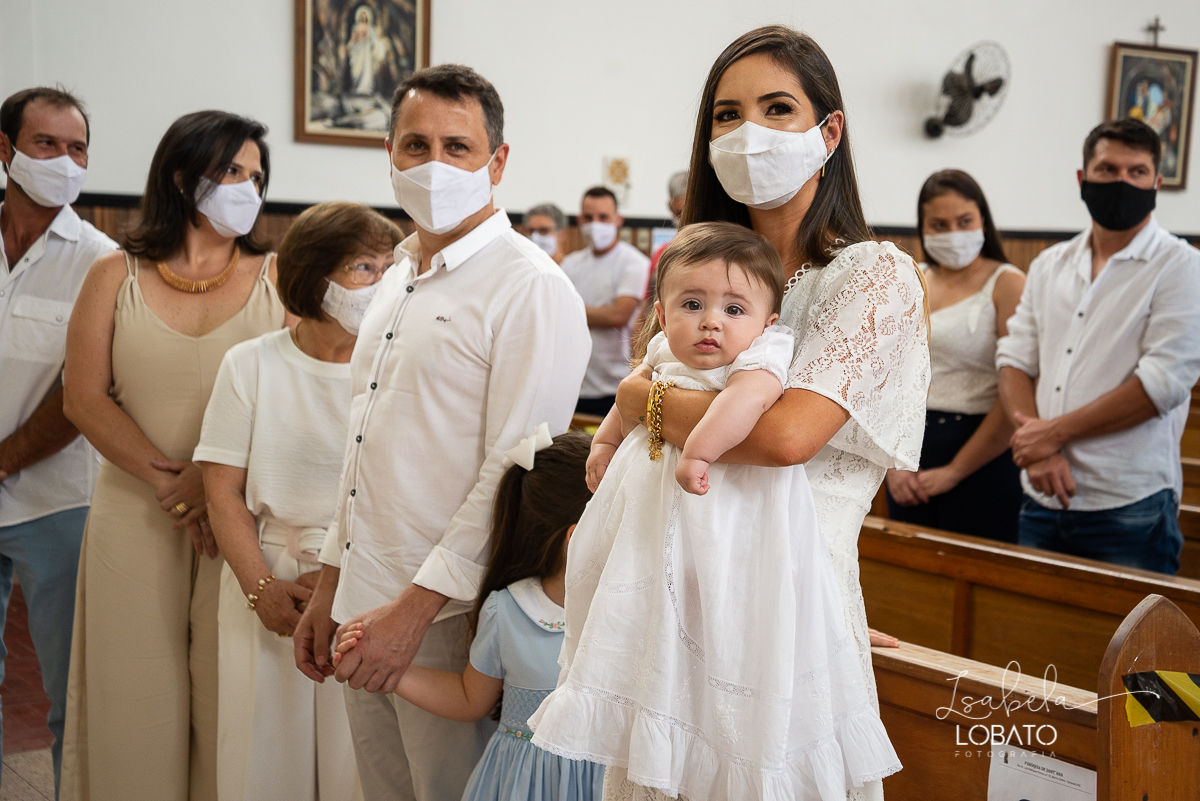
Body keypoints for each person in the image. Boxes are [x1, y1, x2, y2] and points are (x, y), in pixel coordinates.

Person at [610, 27, 930, 801]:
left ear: (830, 130)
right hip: (672, 609)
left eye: (777, 107)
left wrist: (638, 399)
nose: (747, 131)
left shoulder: (872, 276)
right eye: (726, 114)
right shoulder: (701, 277)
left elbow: (787, 437)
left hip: (791, 621)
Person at [291, 64, 590, 801]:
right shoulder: (395, 277)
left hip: (448, 614)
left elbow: (514, 472)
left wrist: (412, 611)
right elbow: (362, 453)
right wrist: (332, 583)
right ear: (388, 153)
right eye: (415, 144)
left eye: (458, 147)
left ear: (498, 161)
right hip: (363, 596)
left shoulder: (531, 287)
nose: (435, 164)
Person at [531, 223, 901, 800]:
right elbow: (630, 398)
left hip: (727, 512)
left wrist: (697, 450)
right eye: (692, 304)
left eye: (734, 308)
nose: (712, 321)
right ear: (660, 310)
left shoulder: (764, 354)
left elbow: (745, 404)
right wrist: (604, 443)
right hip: (655, 527)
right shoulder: (662, 350)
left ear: (767, 321)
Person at [61, 110, 288, 801]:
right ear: (183, 178)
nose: (247, 188)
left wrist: (209, 479)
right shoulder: (113, 274)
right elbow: (84, 397)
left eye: (256, 176)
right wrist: (171, 482)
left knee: (232, 700)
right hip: (134, 513)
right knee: (135, 698)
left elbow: (299, 391)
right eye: (231, 173)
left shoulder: (280, 277)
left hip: (242, 518)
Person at [195, 202, 399, 801]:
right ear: (315, 276)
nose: (382, 283)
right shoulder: (252, 363)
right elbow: (222, 489)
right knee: (262, 761)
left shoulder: (396, 367)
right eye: (365, 267)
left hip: (365, 585)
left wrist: (342, 578)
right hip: (269, 577)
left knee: (355, 768)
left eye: (391, 268)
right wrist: (261, 590)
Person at [336, 430, 605, 801]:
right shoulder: (508, 611)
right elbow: (468, 698)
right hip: (522, 788)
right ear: (578, 537)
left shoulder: (628, 614)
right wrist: (390, 671)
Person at [996, 118, 1200, 574]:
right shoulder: (1051, 263)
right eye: (1107, 169)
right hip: (1041, 493)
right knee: (1030, 636)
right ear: (1083, 178)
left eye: (1137, 172)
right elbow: (1014, 359)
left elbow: (1162, 385)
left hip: (1128, 503)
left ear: (1157, 183)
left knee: (1132, 645)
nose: (1123, 181)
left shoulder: (1182, 267)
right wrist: (1042, 448)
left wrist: (1054, 434)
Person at [0, 86, 116, 794]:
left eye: (78, 149)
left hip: (57, 498)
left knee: (68, 683)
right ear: (5, 149)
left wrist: (6, 458)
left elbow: (82, 388)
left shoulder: (99, 259)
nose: (66, 161)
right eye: (47, 144)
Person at [884, 170, 1025, 542]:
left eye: (964, 222)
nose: (953, 234)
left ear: (983, 220)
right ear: (924, 229)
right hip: (909, 450)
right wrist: (892, 465)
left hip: (982, 451)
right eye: (940, 225)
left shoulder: (1007, 282)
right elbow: (888, 378)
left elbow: (1019, 387)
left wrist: (956, 471)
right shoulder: (913, 279)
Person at [559, 186, 650, 417]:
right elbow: (557, 315)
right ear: (579, 220)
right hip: (575, 384)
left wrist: (571, 309)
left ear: (618, 220)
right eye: (588, 217)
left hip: (616, 384)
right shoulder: (570, 263)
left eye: (603, 217)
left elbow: (618, 316)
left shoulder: (634, 262)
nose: (595, 224)